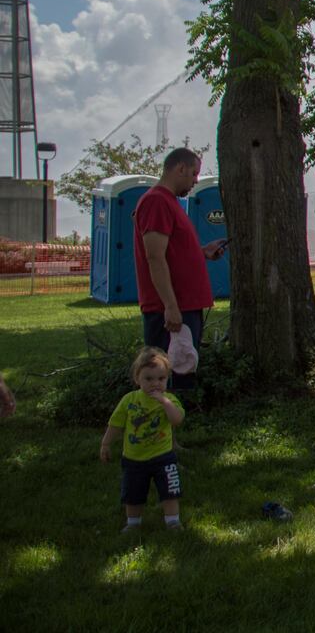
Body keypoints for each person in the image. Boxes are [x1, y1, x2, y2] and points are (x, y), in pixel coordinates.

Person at [133, 148, 226, 389]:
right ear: (180, 168)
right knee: (166, 373)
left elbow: (172, 251)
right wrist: (170, 306)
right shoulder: (156, 201)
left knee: (185, 366)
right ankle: (164, 418)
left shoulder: (171, 202)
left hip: (186, 305)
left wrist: (202, 251)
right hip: (171, 309)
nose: (195, 180)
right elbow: (154, 257)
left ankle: (178, 416)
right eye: (194, 174)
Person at [100, 347, 186, 532]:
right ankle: (133, 523)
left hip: (163, 456)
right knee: (133, 493)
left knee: (170, 491)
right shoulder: (129, 400)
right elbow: (116, 424)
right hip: (134, 458)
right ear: (137, 378)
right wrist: (106, 443)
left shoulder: (169, 400)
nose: (155, 384)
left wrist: (164, 402)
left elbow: (177, 420)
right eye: (148, 379)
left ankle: (173, 521)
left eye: (161, 379)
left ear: (167, 379)